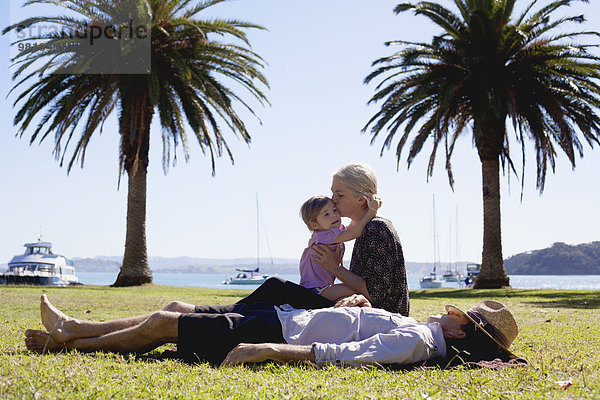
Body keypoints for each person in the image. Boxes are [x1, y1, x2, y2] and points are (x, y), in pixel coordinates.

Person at [25, 294, 519, 368]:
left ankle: (66, 340)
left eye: (463, 317)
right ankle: (73, 327)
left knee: (162, 325)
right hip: (284, 315)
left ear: (460, 332)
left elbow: (349, 354)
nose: (455, 313)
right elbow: (359, 328)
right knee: (175, 306)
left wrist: (271, 351)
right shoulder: (421, 329)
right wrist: (358, 305)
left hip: (283, 331)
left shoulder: (419, 341)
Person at [311, 163, 410, 315]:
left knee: (276, 287)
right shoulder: (363, 228)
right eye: (333, 193)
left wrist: (335, 268)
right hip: (365, 314)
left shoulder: (376, 229)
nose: (333, 200)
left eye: (340, 194)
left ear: (362, 199)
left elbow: (375, 295)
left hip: (380, 318)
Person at [298, 194, 382, 302]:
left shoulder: (333, 232)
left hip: (323, 288)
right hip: (315, 290)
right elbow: (355, 232)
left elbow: (352, 226)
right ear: (314, 225)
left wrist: (362, 209)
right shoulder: (323, 236)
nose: (334, 215)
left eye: (334, 210)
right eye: (326, 214)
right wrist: (372, 211)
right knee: (357, 290)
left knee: (348, 298)